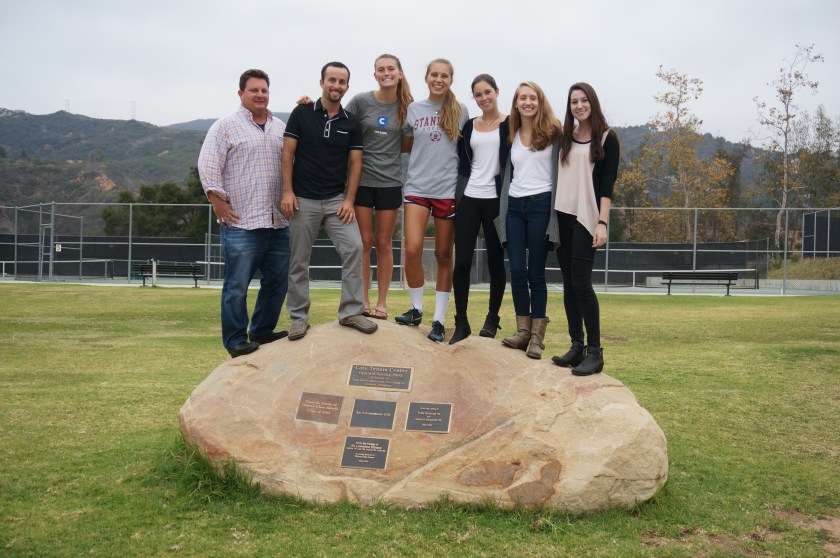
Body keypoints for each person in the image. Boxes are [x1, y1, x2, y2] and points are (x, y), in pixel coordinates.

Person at [280, 61, 377, 340]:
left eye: (342, 81)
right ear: (322, 82)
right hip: (302, 201)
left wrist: (349, 200)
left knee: (355, 248)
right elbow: (287, 154)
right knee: (299, 260)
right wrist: (287, 192)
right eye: (331, 80)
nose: (336, 85)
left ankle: (350, 312)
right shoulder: (301, 113)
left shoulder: (351, 122)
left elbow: (356, 164)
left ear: (347, 86)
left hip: (336, 202)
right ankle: (299, 317)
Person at [197, 68, 290, 358]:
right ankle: (236, 340)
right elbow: (208, 164)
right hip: (242, 222)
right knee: (237, 285)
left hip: (278, 222)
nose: (260, 95)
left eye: (264, 90)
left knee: (277, 282)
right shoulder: (224, 126)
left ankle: (261, 329)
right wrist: (216, 200)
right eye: (254, 90)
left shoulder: (280, 127)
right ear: (241, 94)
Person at [395, 58, 469, 343]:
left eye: (445, 76)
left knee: (442, 255)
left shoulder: (460, 111)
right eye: (434, 75)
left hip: (446, 190)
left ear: (450, 79)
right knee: (412, 249)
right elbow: (405, 143)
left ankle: (438, 319)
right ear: (426, 78)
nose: (439, 79)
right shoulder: (414, 109)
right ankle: (416, 309)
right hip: (417, 187)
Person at [551, 82, 619, 376]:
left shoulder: (607, 137)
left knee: (581, 284)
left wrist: (602, 222)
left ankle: (595, 352)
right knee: (568, 285)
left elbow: (607, 185)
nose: (578, 106)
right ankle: (576, 346)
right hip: (561, 216)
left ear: (592, 102)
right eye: (573, 102)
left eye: (583, 100)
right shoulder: (566, 137)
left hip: (586, 218)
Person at [496, 82, 562, 359]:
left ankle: (537, 338)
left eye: (532, 98)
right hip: (514, 206)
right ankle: (522, 332)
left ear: (540, 101)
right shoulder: (510, 133)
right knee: (518, 272)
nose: (527, 102)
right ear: (515, 103)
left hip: (541, 205)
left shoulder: (554, 131)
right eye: (522, 98)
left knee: (536, 273)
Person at [345, 54, 413, 321]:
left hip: (390, 183)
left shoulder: (407, 107)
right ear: (375, 75)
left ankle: (382, 303)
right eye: (381, 70)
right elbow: (339, 120)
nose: (386, 73)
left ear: (400, 72)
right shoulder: (361, 101)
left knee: (384, 243)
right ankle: (363, 300)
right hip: (361, 182)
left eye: (391, 69)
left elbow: (407, 147)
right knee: (364, 242)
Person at [450, 74, 509, 344]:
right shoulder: (469, 126)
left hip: (496, 200)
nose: (484, 98)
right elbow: (462, 162)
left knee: (495, 262)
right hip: (469, 198)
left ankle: (492, 319)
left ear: (497, 92)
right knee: (461, 261)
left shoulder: (511, 124)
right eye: (478, 95)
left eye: (488, 92)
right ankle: (461, 321)